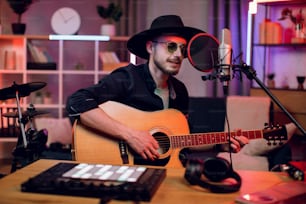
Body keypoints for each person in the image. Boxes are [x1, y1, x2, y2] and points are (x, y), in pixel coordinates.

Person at [66, 15, 248, 164]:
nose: (178, 55)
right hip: (122, 172)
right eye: (171, 46)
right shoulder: (127, 78)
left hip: (162, 174)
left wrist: (219, 145)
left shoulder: (180, 91)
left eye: (183, 49)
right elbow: (77, 102)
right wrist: (131, 135)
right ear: (150, 47)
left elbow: (183, 140)